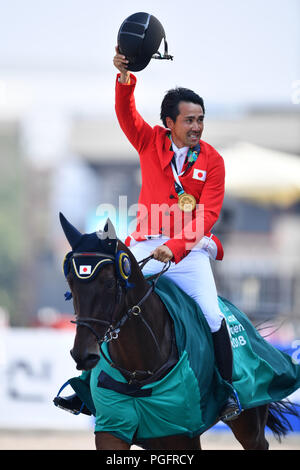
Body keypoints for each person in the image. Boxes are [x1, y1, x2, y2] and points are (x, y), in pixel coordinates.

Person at [54, 46, 241, 422]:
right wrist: (124, 78)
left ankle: (226, 392)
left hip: (190, 251)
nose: (197, 127)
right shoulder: (148, 141)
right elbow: (126, 114)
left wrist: (174, 248)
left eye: (201, 119)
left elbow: (207, 215)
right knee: (109, 302)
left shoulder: (213, 161)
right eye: (189, 120)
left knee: (211, 313)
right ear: (169, 122)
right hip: (143, 244)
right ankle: (88, 388)